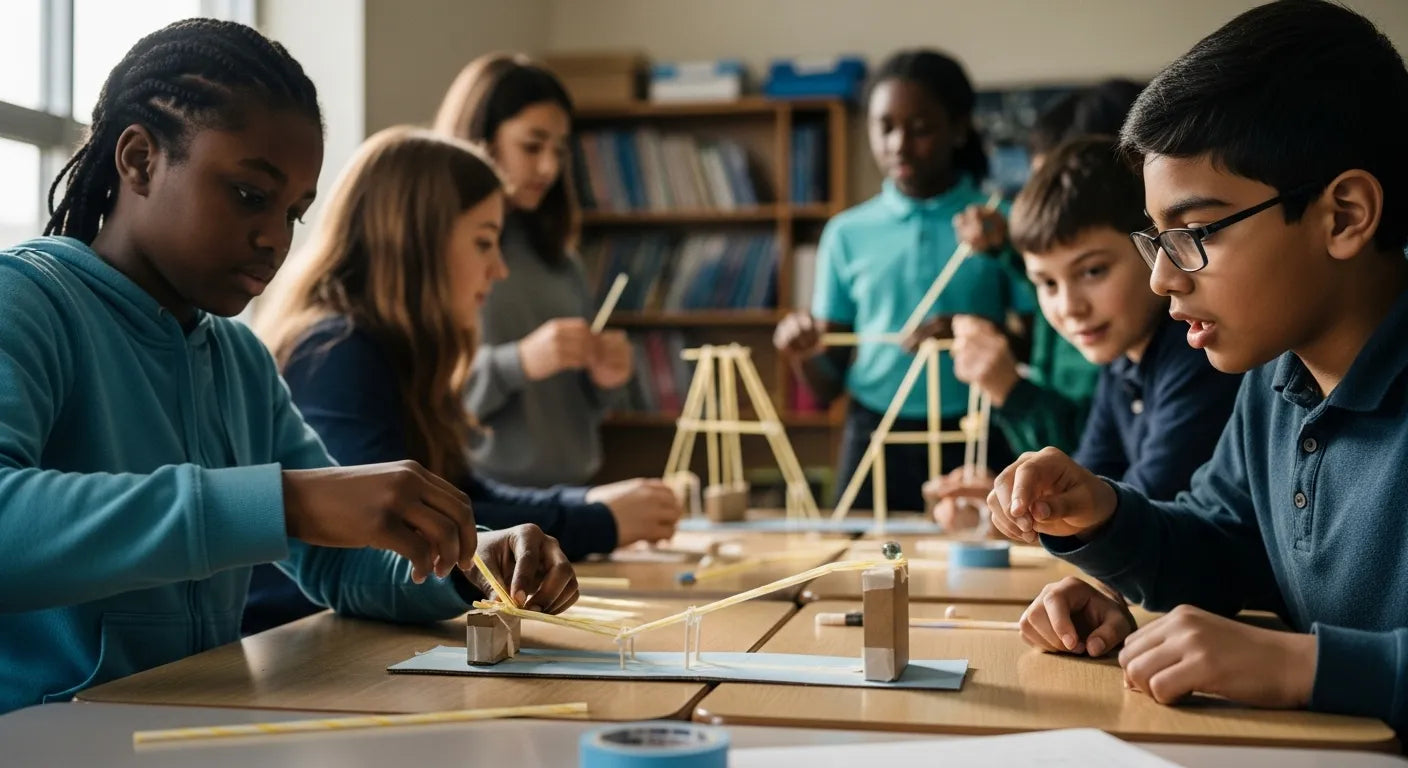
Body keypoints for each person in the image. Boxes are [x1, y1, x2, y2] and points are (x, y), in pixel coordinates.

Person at [0, 19, 575, 714]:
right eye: (249, 194)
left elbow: (340, 558)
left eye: (295, 212)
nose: (275, 238)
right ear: (139, 160)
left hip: (188, 728)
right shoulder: (27, 303)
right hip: (44, 737)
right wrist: (288, 501)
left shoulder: (238, 359)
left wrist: (472, 562)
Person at [989, 0, 1408, 736]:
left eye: (1195, 234)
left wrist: (1297, 665)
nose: (1163, 280)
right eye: (1157, 240)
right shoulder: (1275, 382)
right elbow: (1222, 546)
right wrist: (1102, 519)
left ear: (1343, 215)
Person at [245, 127, 681, 633]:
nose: (498, 270)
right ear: (416, 245)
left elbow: (459, 493)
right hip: (302, 637)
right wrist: (598, 521)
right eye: (483, 243)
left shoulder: (396, 349)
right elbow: (395, 531)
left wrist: (584, 503)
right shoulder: (337, 352)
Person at [774, 49, 1032, 512]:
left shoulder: (999, 224)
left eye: (920, 128)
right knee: (857, 572)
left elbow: (1036, 347)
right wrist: (802, 353)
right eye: (885, 127)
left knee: (984, 571)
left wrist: (971, 330)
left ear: (957, 128)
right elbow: (827, 386)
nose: (898, 144)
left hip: (977, 432)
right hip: (874, 433)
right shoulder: (847, 233)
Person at [434, 54, 641, 490]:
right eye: (532, 146)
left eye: (559, 151)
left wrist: (607, 378)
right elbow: (432, 394)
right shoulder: (443, 253)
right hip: (486, 505)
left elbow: (583, 405)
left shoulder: (561, 259)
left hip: (574, 493)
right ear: (482, 140)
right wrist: (520, 362)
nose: (549, 167)